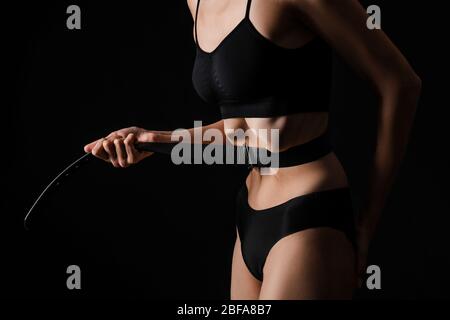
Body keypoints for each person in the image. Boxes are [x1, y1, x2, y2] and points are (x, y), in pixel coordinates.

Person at [84, 0, 421, 299]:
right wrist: (156, 139)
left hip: (308, 213)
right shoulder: (197, 3)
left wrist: (367, 223)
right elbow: (242, 131)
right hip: (251, 209)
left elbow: (400, 83)